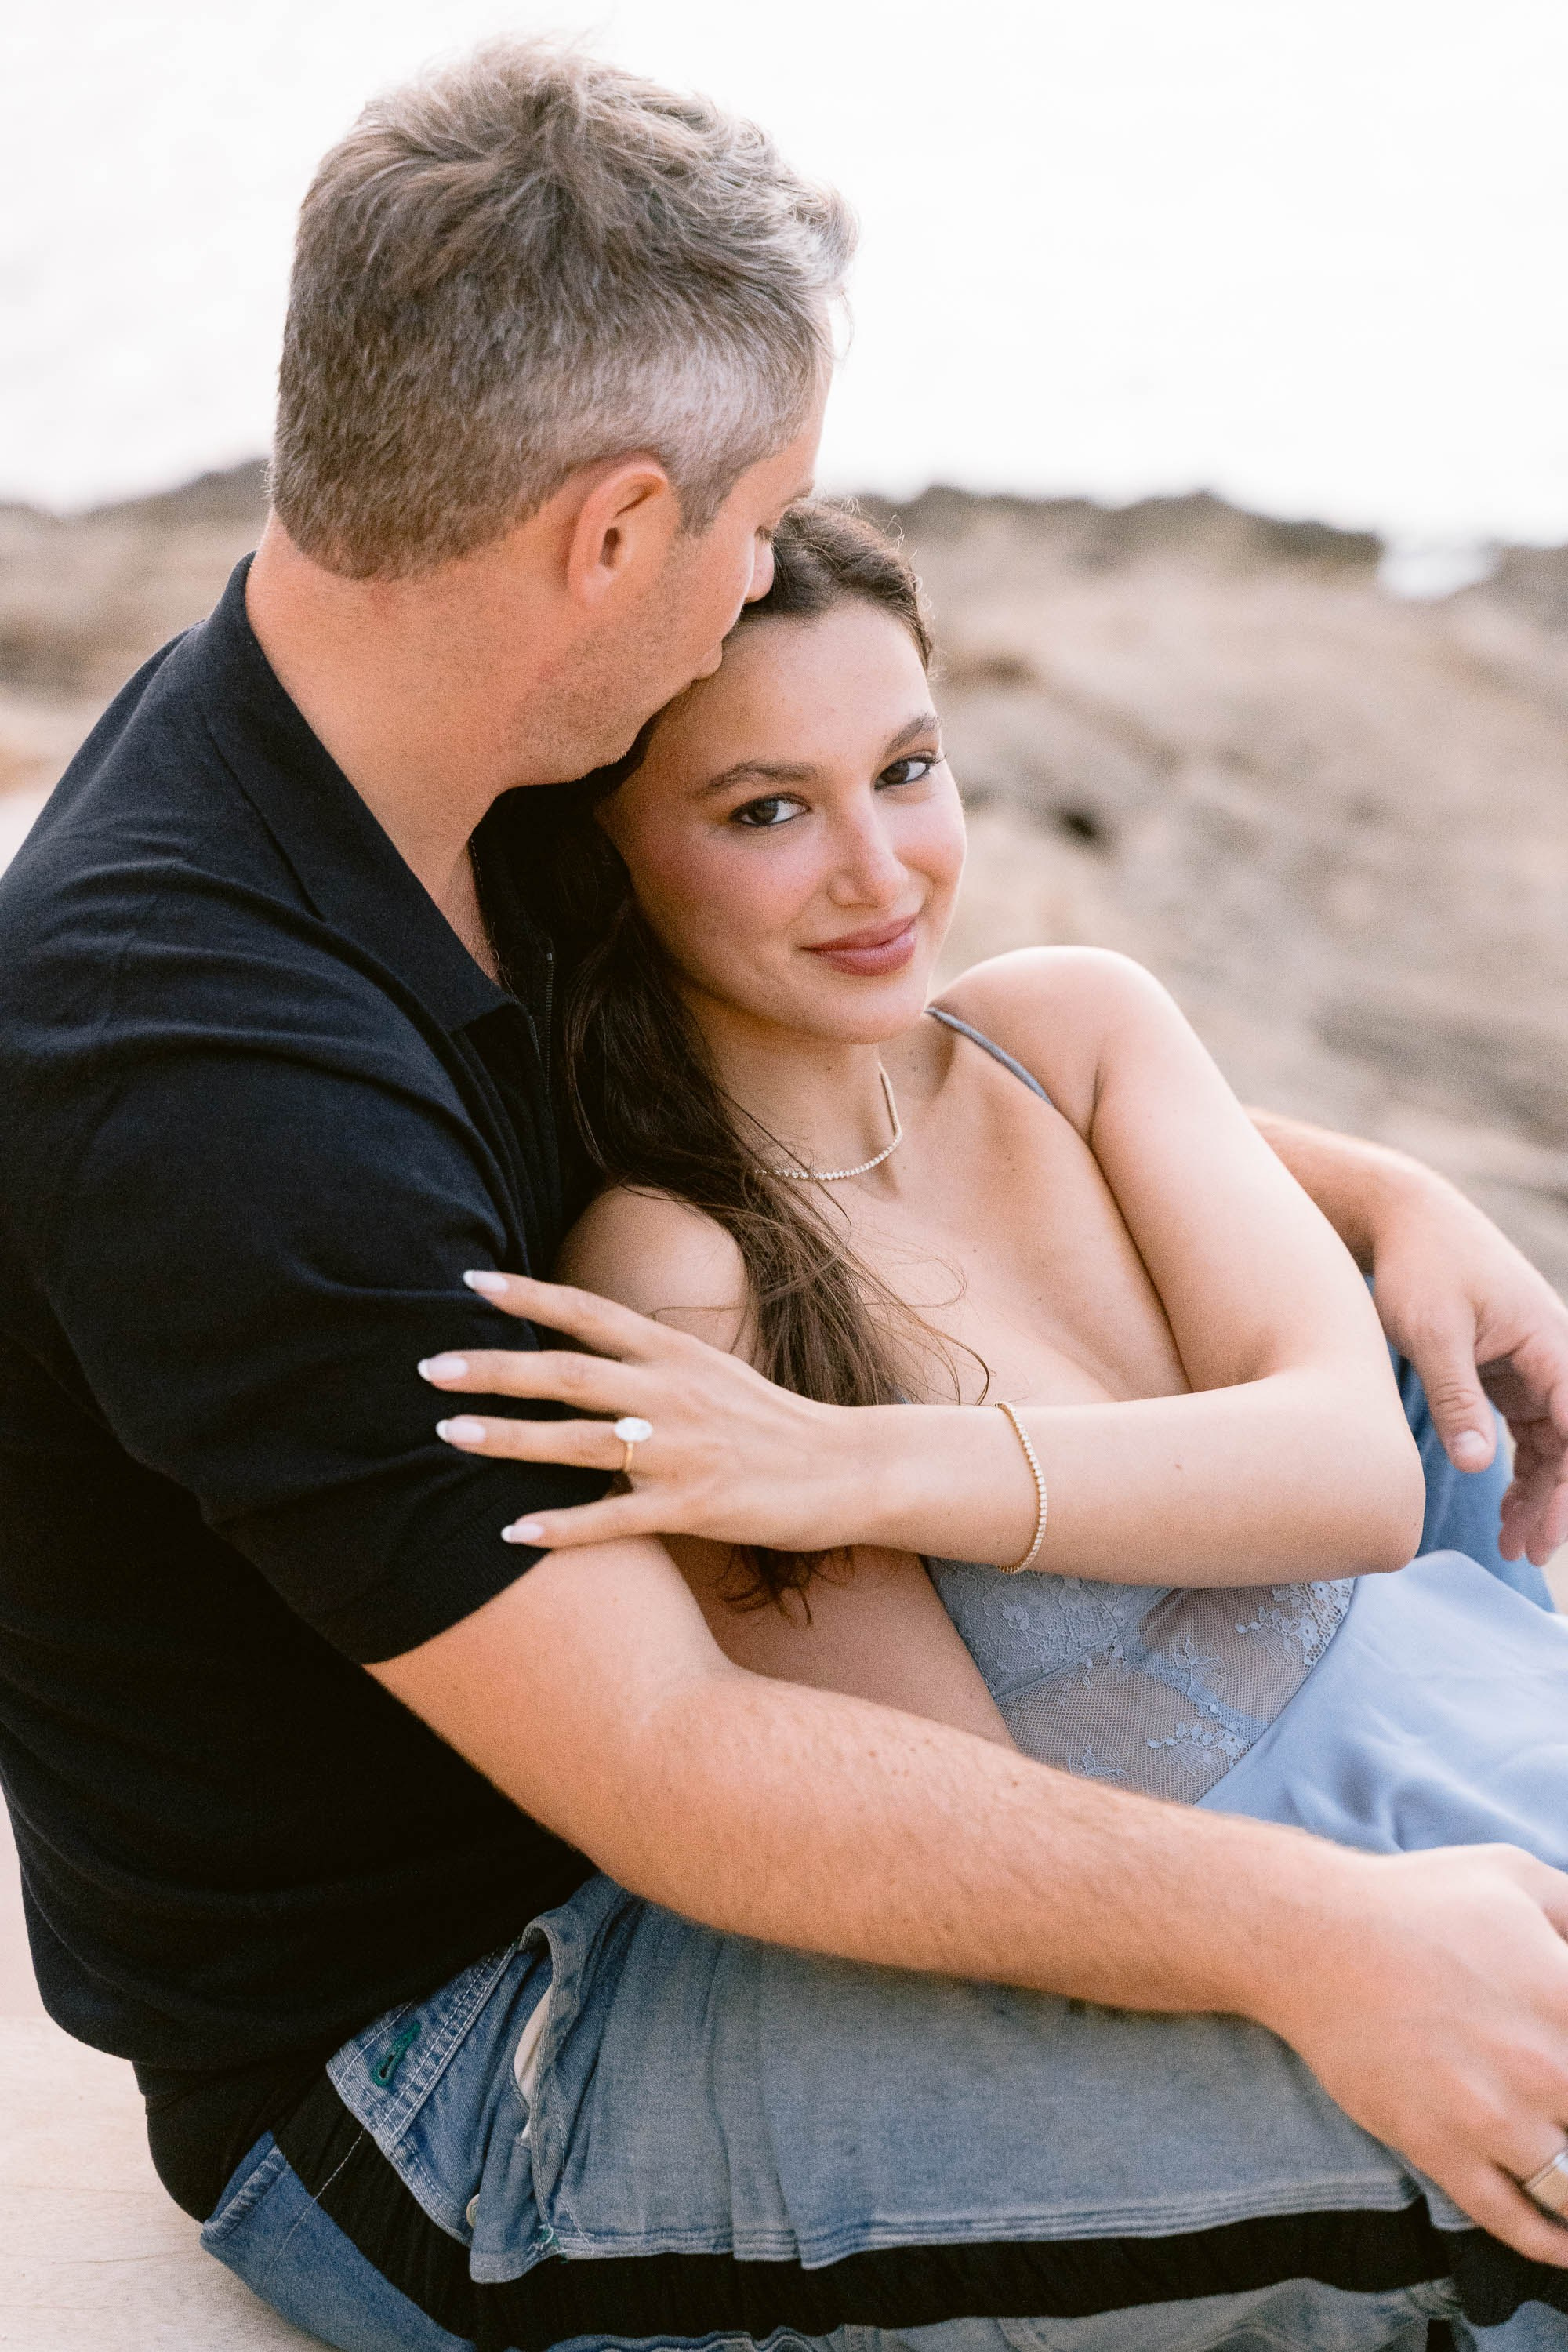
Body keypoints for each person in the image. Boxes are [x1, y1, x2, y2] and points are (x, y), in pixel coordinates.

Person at [0, 38, 1565, 2352]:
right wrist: (1318, 1939)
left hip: (668, 1818)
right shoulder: (199, 1065)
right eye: (758, 518)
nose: (761, 575)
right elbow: (679, 1767)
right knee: (1507, 2130)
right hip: (472, 2064)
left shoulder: (426, 757)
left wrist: (1368, 1183)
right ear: (614, 531)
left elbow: (788, 1067)